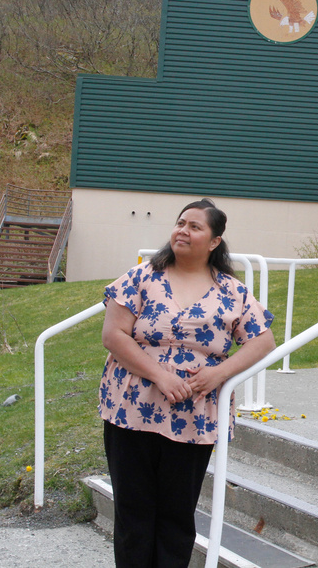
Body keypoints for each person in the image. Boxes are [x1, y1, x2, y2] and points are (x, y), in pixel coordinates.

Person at [99, 198, 276, 568]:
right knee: (134, 512)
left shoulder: (232, 291)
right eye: (181, 223)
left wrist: (218, 373)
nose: (183, 231)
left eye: (195, 227)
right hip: (132, 408)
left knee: (176, 516)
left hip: (194, 416)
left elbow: (263, 341)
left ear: (214, 241)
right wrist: (160, 374)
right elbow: (114, 335)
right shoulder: (142, 277)